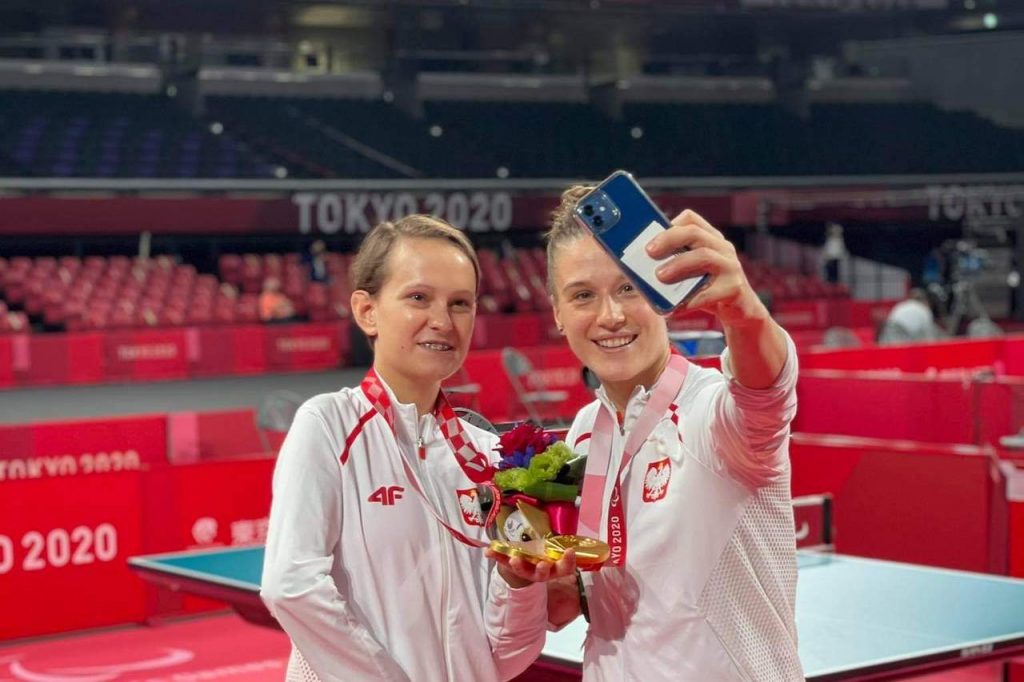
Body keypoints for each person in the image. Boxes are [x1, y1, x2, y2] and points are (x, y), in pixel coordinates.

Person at [501, 186, 803, 681]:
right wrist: (535, 579)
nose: (611, 316)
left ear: (662, 295)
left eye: (628, 288)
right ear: (557, 312)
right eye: (583, 295)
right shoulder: (583, 434)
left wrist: (743, 311)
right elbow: (572, 606)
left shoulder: (711, 416)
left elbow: (767, 394)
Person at [261, 215, 571, 682]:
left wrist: (518, 585)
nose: (442, 321)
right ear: (367, 311)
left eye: (460, 303)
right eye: (418, 298)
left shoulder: (490, 457)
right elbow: (291, 587)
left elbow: (505, 656)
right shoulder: (328, 426)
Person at [878, 287, 942, 344]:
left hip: (892, 329)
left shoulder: (902, 305)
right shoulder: (923, 309)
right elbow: (928, 333)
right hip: (898, 329)